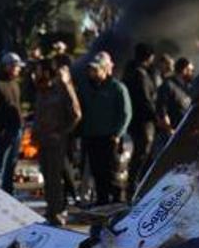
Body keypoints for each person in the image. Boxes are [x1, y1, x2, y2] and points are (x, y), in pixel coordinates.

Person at [76, 52, 131, 205]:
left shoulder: (117, 88)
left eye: (96, 69)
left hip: (110, 138)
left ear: (106, 69)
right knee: (97, 172)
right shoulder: (86, 88)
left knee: (112, 173)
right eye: (90, 69)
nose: (92, 72)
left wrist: (118, 134)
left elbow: (126, 114)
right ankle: (102, 201)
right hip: (91, 136)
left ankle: (117, 203)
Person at [32, 60, 81, 226]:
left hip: (56, 142)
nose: (36, 74)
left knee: (55, 179)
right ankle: (51, 209)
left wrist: (61, 133)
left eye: (39, 71)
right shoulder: (41, 90)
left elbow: (76, 114)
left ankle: (58, 211)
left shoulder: (61, 90)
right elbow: (38, 114)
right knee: (47, 177)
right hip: (42, 141)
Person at [0, 53, 25, 193]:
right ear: (7, 66)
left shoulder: (15, 84)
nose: (18, 69)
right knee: (1, 162)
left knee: (12, 162)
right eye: (16, 67)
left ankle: (9, 190)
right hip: (5, 129)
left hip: (17, 127)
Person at [123, 42, 157, 190]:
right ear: (148, 57)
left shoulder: (131, 71)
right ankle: (134, 185)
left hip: (137, 120)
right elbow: (145, 100)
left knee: (142, 153)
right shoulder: (140, 74)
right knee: (142, 153)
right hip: (143, 121)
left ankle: (136, 184)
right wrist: (157, 118)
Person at [156, 56, 195, 141]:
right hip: (169, 138)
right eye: (190, 70)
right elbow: (162, 110)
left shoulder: (185, 88)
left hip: (183, 135)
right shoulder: (168, 86)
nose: (192, 73)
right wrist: (169, 130)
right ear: (184, 70)